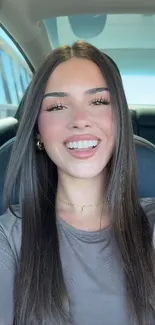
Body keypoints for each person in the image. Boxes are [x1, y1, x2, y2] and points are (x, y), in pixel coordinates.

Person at [0, 40, 155, 325]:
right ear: (37, 131)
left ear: (119, 120)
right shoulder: (8, 239)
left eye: (98, 102)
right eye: (58, 105)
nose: (80, 120)